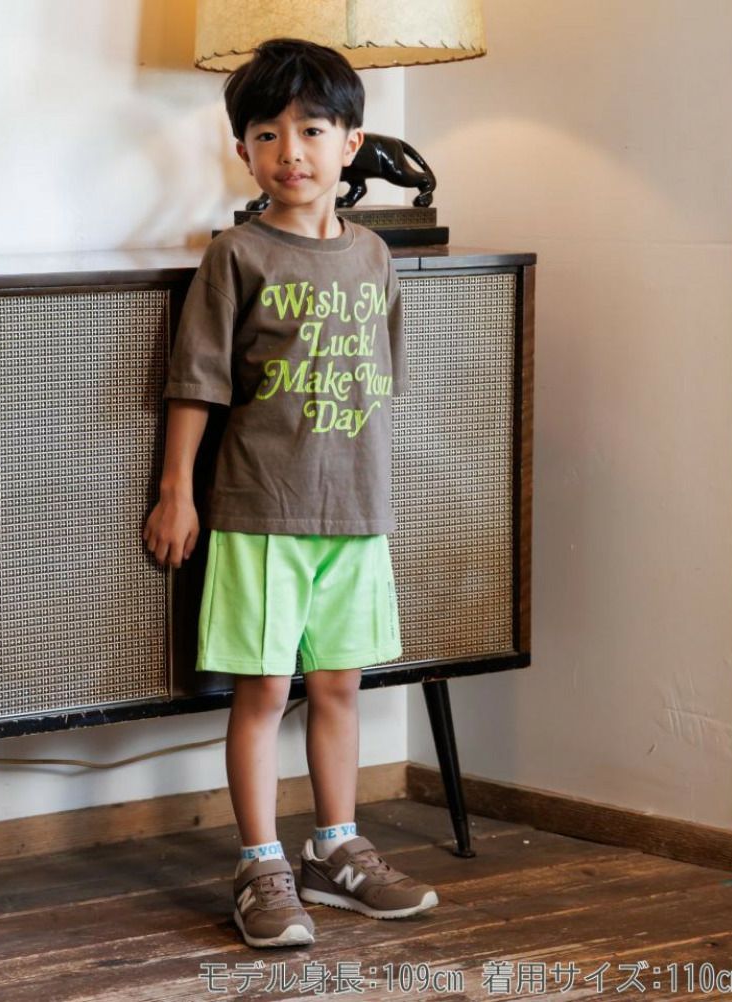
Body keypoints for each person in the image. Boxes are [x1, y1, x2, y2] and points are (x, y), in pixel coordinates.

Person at [142, 37, 438, 949]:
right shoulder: (237, 256)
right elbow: (196, 383)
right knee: (265, 690)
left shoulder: (374, 258)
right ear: (243, 151)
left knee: (341, 685)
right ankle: (261, 864)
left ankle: (337, 850)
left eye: (311, 130)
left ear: (352, 144)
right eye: (267, 134)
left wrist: (379, 497)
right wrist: (177, 491)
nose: (290, 152)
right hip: (262, 511)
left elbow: (381, 384)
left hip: (354, 514)